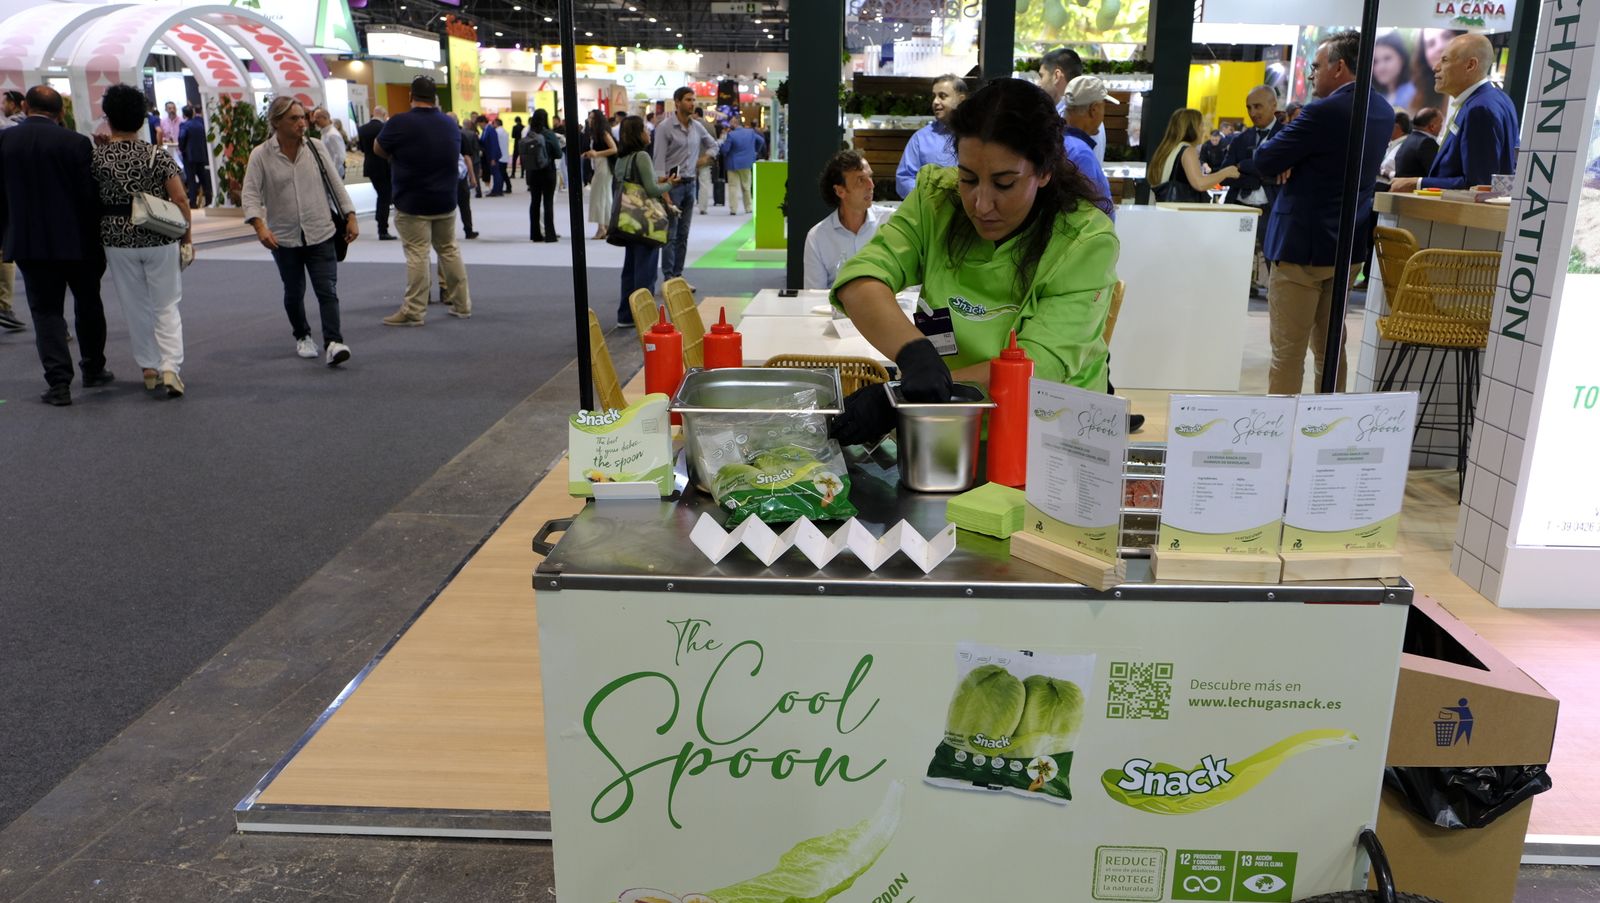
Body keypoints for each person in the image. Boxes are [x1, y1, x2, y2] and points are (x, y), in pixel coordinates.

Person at [828, 78, 1118, 446]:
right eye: (968, 179)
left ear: (1045, 171)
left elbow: (1036, 367)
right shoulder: (938, 199)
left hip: (1051, 441)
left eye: (1004, 183)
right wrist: (913, 352)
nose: (980, 204)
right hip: (945, 430)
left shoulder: (1085, 243)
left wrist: (905, 397)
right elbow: (861, 279)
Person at [1235, 31, 1393, 395]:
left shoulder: (1323, 111)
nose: (1312, 74)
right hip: (1347, 246)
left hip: (1301, 249)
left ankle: (1277, 435)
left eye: (1317, 66)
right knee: (1331, 349)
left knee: (1288, 353)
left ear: (1339, 67)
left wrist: (1293, 158)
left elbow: (1265, 159)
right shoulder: (1382, 110)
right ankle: (1324, 432)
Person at [0, 85, 110, 404]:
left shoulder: (5, 142)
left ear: (25, 106)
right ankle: (93, 369)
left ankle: (59, 384)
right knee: (88, 304)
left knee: (45, 311)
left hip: (30, 242)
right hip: (78, 241)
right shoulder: (76, 143)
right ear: (60, 112)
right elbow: (90, 196)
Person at [93, 83, 193, 398]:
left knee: (134, 305)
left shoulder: (97, 158)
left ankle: (148, 367)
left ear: (108, 118)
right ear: (141, 120)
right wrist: (187, 239)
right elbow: (180, 200)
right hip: (160, 236)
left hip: (116, 239)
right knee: (166, 304)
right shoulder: (157, 156)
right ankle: (170, 368)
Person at [243, 96, 358, 365]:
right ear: (276, 123)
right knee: (294, 292)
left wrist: (350, 215)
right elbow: (249, 195)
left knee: (327, 290)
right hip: (283, 238)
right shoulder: (260, 155)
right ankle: (303, 335)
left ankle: (334, 342)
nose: (302, 123)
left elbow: (336, 184)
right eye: (293, 119)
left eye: (302, 117)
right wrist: (259, 226)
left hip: (321, 232)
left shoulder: (316, 148)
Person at [375, 75, 470, 324]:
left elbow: (378, 148)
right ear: (434, 98)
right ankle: (462, 304)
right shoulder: (449, 124)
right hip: (446, 200)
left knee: (418, 255)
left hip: (412, 201)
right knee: (449, 250)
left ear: (411, 97)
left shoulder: (399, 122)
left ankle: (414, 311)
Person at [1389, 33, 1518, 193]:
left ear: (1470, 65)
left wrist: (1418, 183)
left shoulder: (1479, 108)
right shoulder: (1498, 99)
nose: (1435, 67)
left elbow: (1477, 185)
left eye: (1445, 60)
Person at [613, 115, 678, 326]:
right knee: (645, 270)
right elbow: (650, 190)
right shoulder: (642, 156)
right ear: (637, 134)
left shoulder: (622, 158)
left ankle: (626, 315)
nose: (648, 132)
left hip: (628, 219)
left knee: (629, 269)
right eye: (645, 129)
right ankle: (645, 317)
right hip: (645, 222)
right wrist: (670, 184)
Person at [1221, 85, 1284, 294]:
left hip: (1271, 207)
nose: (1252, 112)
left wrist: (1246, 166)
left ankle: (1277, 297)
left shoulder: (1287, 136)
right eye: (1249, 107)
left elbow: (1283, 173)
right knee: (1232, 256)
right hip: (1239, 206)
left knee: (1274, 258)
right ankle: (1233, 292)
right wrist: (1261, 173)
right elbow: (1226, 172)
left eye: (1258, 106)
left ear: (1273, 105)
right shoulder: (1240, 139)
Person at [803, 151, 895, 290]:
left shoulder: (891, 223)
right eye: (860, 180)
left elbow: (911, 285)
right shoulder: (818, 237)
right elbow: (814, 296)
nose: (871, 185)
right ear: (840, 191)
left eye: (870, 177)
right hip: (837, 309)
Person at [654, 86, 717, 281]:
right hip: (672, 187)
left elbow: (714, 145)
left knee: (683, 235)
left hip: (691, 185)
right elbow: (658, 164)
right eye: (688, 100)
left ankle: (678, 276)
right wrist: (664, 193)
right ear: (678, 102)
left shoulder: (697, 127)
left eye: (693, 100)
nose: (692, 103)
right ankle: (669, 278)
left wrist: (703, 160)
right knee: (670, 236)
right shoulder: (665, 127)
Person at [894, 74, 967, 199]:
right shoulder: (920, 139)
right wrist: (928, 201)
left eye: (942, 96)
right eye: (934, 96)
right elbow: (904, 180)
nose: (935, 102)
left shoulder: (976, 135)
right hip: (931, 214)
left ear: (961, 100)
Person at [1148, 109, 1239, 202]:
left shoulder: (1167, 149)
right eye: (1201, 125)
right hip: (1181, 213)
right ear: (1192, 128)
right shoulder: (1188, 151)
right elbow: (1200, 184)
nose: (1203, 129)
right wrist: (1226, 172)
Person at [1038, 47, 1107, 164]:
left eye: (1042, 76)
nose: (1039, 83)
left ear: (1057, 75)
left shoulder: (1078, 114)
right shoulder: (1076, 111)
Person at [1060, 75, 1116, 218]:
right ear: (1094, 109)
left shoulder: (1060, 143)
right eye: (1104, 106)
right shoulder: (1080, 153)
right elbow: (1090, 211)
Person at [0, 90, 23, 332]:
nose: (2, 105)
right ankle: (4, 305)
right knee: (6, 252)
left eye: (5, 101)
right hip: (10, 199)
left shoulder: (10, 130)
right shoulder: (12, 130)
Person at [521, 108, 562, 242]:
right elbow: (558, 154)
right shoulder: (549, 134)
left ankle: (535, 234)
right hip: (548, 171)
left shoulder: (528, 135)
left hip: (532, 172)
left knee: (535, 202)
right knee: (548, 202)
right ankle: (550, 234)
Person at [357, 106, 393, 240]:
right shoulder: (384, 128)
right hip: (384, 167)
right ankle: (382, 228)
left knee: (381, 196)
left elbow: (361, 148)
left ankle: (381, 223)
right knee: (384, 197)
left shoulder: (362, 129)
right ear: (383, 114)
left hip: (370, 166)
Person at [581, 109, 619, 240]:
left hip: (603, 166)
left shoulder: (603, 132)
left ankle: (602, 228)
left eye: (592, 118)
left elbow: (614, 149)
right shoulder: (596, 133)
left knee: (599, 196)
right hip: (599, 165)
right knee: (604, 196)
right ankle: (606, 226)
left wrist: (597, 154)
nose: (589, 120)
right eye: (589, 118)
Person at [720, 112, 766, 215]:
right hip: (747, 162)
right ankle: (748, 207)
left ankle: (733, 209)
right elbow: (761, 141)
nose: (730, 124)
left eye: (731, 122)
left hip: (732, 164)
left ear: (735, 123)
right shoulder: (750, 132)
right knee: (746, 186)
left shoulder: (731, 135)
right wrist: (755, 152)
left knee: (733, 187)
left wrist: (721, 147)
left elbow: (725, 150)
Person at [1410, 28, 1464, 117]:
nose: (1439, 47)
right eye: (1431, 44)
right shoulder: (1420, 96)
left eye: (1447, 36)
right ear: (1424, 56)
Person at [178, 105, 212, 208]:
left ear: (184, 114)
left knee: (191, 180)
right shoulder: (200, 124)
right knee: (203, 179)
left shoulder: (184, 125)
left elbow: (182, 137)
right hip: (201, 155)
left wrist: (182, 149)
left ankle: (193, 203)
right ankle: (209, 201)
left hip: (189, 157)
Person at [1372, 32, 1416, 111]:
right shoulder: (1378, 97)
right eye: (1375, 61)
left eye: (1387, 58)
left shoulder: (1415, 94)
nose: (1380, 67)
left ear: (1402, 59)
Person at [1394, 107, 1443, 178]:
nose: (1441, 127)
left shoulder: (1410, 138)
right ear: (1432, 126)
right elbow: (1437, 173)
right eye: (1441, 124)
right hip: (1412, 188)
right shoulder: (1427, 143)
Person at [453, 113, 479, 239]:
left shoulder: (438, 135)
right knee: (464, 205)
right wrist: (472, 176)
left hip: (444, 176)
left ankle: (446, 233)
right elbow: (467, 157)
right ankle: (468, 230)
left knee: (446, 206)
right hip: (459, 176)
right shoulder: (460, 135)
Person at [1379, 110, 1412, 183]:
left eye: (1389, 125)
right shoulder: (1393, 143)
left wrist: (1383, 172)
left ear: (1397, 127)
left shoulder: (1404, 145)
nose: (1386, 129)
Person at [480, 115, 507, 196]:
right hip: (490, 155)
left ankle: (497, 190)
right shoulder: (486, 130)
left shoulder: (490, 130)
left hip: (493, 155)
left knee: (496, 173)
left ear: (483, 122)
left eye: (479, 124)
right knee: (495, 173)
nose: (479, 126)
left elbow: (494, 144)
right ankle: (497, 189)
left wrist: (493, 158)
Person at [461, 115, 484, 201]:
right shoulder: (473, 134)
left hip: (463, 158)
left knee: (463, 176)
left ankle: (464, 192)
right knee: (475, 176)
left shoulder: (459, 133)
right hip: (474, 158)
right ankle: (478, 192)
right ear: (470, 125)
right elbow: (476, 147)